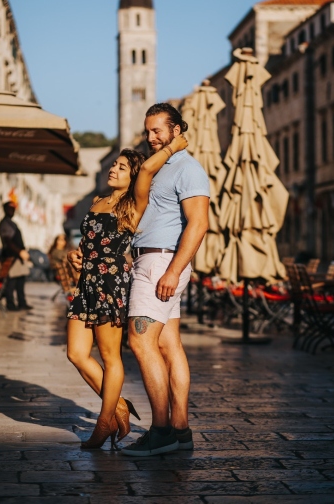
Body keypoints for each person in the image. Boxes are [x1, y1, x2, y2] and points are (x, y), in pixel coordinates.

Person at [66, 136, 188, 450]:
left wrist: (171, 147)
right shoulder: (96, 201)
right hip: (87, 283)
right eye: (114, 165)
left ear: (132, 176)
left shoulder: (134, 204)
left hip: (111, 285)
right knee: (76, 353)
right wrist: (75, 254)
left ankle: (104, 422)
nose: (114, 170)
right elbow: (89, 241)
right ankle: (118, 406)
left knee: (109, 356)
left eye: (122, 167)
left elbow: (147, 170)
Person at [121, 103, 210, 457]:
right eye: (148, 131)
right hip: (154, 260)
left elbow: (199, 223)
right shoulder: (158, 168)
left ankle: (160, 431)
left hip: (161, 263)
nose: (151, 138)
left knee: (140, 341)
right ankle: (180, 430)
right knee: (168, 346)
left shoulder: (188, 169)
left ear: (177, 130)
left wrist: (174, 270)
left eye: (158, 131)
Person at [0, 201, 32, 311]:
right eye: (9, 208)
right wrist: (19, 252)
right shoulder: (5, 224)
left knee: (20, 280)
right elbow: (8, 241)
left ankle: (22, 302)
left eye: (13, 209)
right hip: (12, 256)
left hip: (18, 257)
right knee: (11, 281)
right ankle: (10, 303)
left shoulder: (11, 223)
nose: (12, 211)